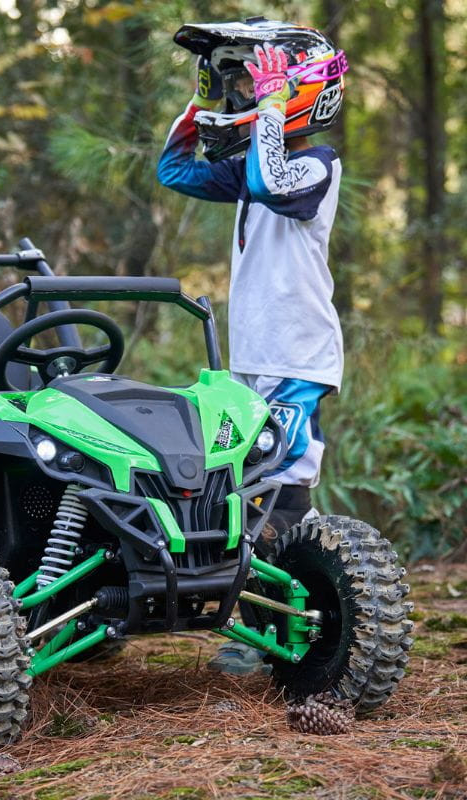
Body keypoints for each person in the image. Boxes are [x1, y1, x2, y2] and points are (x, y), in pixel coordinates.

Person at [157, 18, 349, 674]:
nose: (247, 93)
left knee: (283, 494)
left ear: (299, 93)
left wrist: (269, 108)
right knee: (238, 494)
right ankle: (268, 624)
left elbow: (272, 183)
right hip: (252, 359)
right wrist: (203, 101)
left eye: (258, 83)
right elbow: (174, 170)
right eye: (241, 85)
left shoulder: (317, 166)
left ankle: (287, 631)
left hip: (297, 357)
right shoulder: (252, 169)